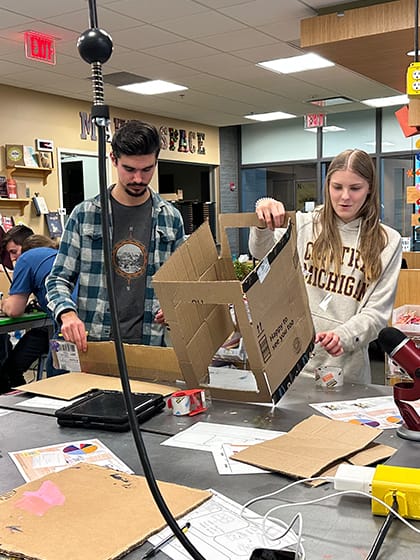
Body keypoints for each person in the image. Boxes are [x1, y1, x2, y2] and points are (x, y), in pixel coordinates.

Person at [249, 149, 402, 384]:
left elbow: (377, 313)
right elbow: (261, 253)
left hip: (347, 371)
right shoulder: (304, 224)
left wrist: (344, 336)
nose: (345, 197)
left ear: (369, 188)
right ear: (327, 185)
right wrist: (262, 217)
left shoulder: (387, 241)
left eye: (355, 188)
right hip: (294, 365)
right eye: (337, 187)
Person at [46, 119, 185, 353]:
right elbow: (58, 279)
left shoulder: (171, 218)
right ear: (113, 160)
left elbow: (183, 284)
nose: (138, 179)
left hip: (151, 345)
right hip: (97, 345)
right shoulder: (85, 215)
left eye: (147, 169)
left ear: (155, 162)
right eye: (129, 169)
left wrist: (176, 307)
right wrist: (67, 313)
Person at [0, 230, 55, 393]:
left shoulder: (27, 259)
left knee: (11, 369)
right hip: (68, 321)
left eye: (14, 252)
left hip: (55, 327)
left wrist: (4, 304)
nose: (12, 259)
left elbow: (14, 309)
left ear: (25, 246)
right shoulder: (56, 254)